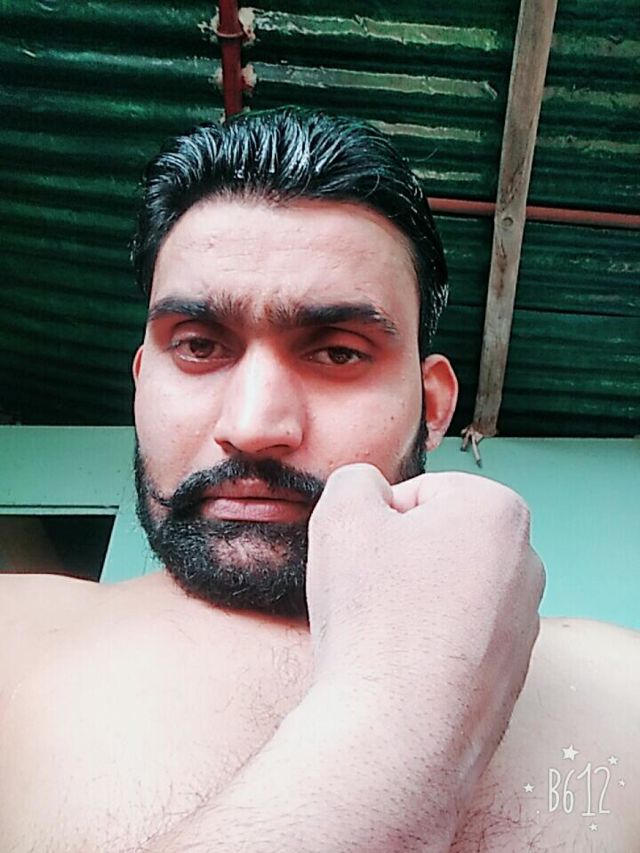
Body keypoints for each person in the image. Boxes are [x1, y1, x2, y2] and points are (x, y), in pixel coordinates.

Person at [1, 107, 638, 853]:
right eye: (199, 346)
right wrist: (395, 722)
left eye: (338, 352)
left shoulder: (624, 691)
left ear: (432, 406)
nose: (254, 424)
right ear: (143, 383)